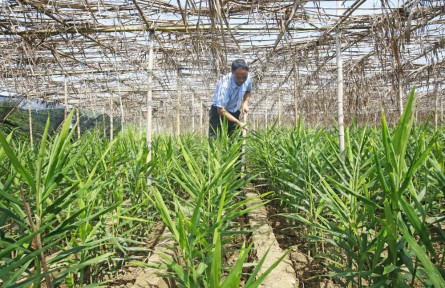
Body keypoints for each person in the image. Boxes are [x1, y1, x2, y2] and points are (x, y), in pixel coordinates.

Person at [209, 59, 252, 138]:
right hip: (219, 113)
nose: (241, 80)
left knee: (235, 140)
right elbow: (220, 110)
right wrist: (239, 122)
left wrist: (245, 103)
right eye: (238, 77)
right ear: (232, 72)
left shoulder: (248, 78)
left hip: (234, 112)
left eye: (244, 77)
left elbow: (248, 91)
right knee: (215, 140)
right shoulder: (225, 85)